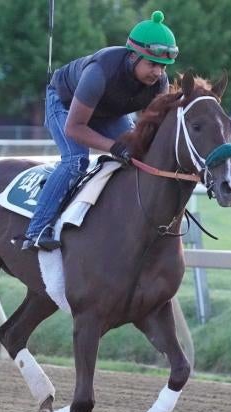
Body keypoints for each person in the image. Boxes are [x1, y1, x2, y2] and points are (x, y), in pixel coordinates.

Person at [21, 10, 179, 251]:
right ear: (132, 57)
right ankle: (37, 229)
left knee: (138, 156)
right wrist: (115, 147)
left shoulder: (159, 83)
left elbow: (157, 131)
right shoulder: (99, 72)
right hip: (64, 103)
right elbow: (74, 128)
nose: (158, 72)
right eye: (152, 64)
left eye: (163, 66)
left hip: (107, 112)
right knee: (76, 160)